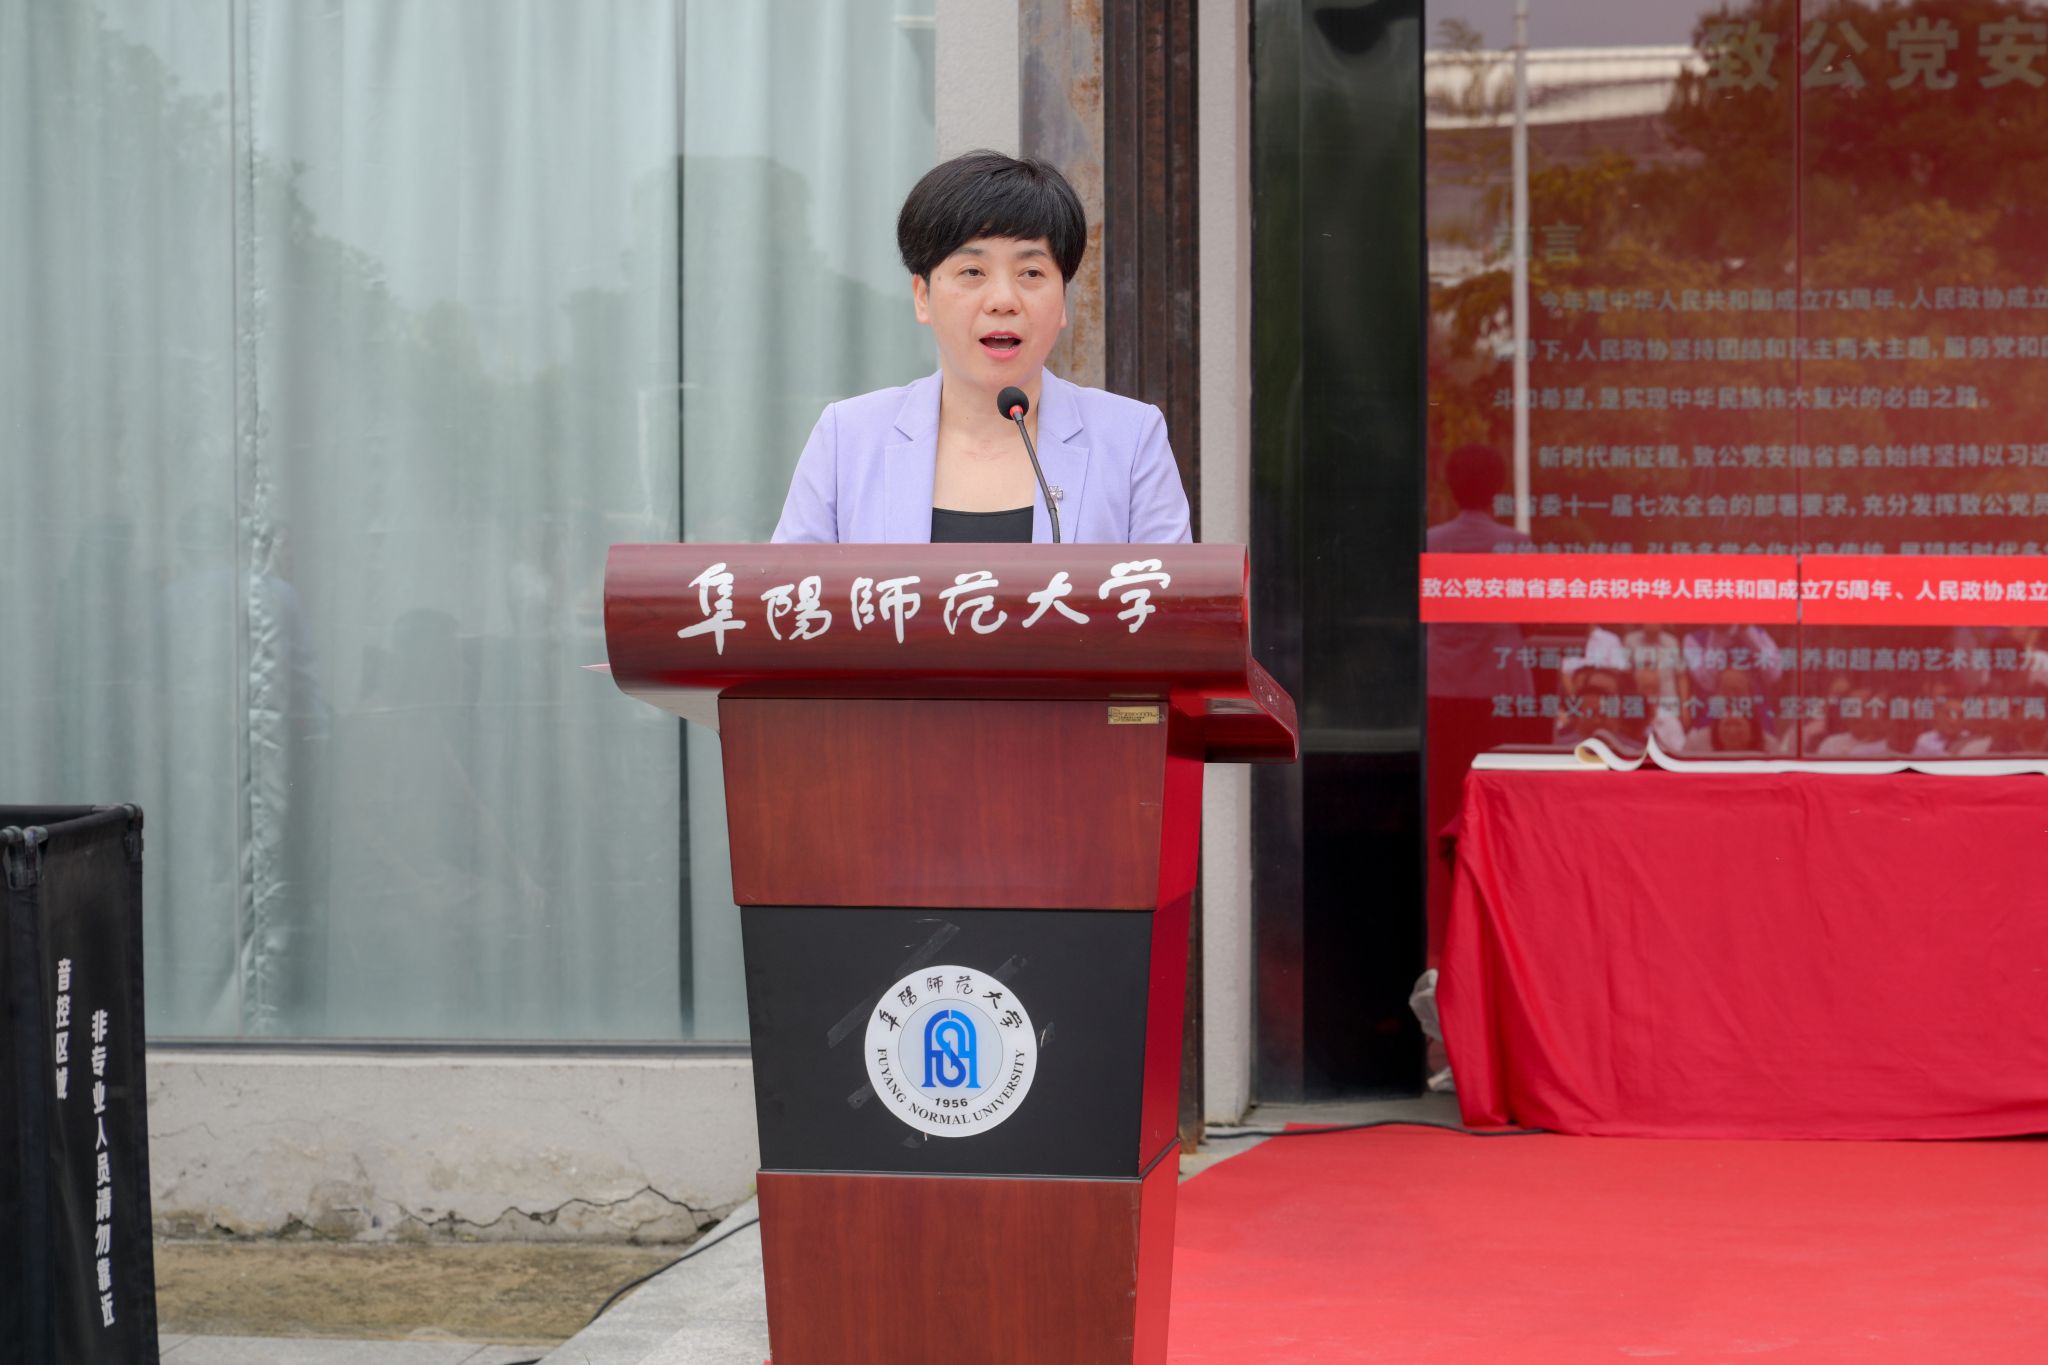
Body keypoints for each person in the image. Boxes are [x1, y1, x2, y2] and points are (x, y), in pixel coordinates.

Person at [772, 151, 1191, 545]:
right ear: (922, 296)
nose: (1003, 300)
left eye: (1031, 272)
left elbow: (1172, 597)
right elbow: (794, 595)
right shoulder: (847, 439)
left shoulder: (1131, 440)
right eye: (972, 271)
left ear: (1063, 299)